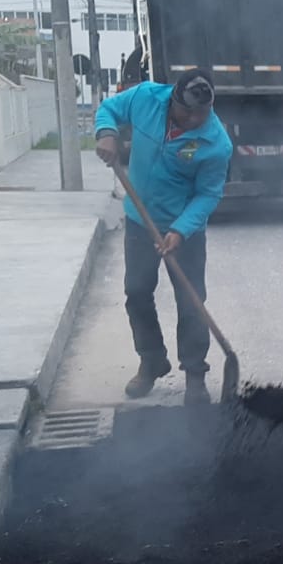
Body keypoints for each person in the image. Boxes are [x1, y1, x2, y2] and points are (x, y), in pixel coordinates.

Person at [94, 69, 234, 405]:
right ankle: (152, 360)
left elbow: (208, 195)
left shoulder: (215, 142)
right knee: (137, 292)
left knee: (191, 301)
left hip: (183, 229)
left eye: (203, 112)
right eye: (188, 112)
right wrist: (106, 132)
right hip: (139, 220)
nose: (195, 119)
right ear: (173, 99)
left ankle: (195, 374)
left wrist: (181, 230)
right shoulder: (146, 97)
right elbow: (109, 109)